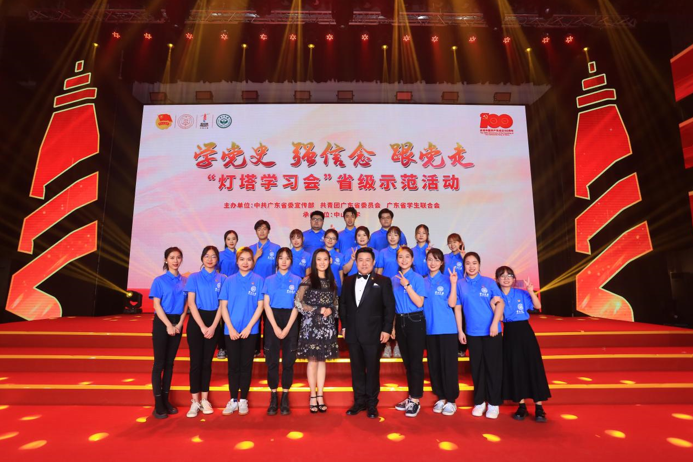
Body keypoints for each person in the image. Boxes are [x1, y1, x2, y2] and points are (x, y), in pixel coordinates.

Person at [340, 247, 396, 419]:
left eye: (367, 260)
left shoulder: (383, 281)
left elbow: (389, 307)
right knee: (356, 369)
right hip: (353, 333)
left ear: (373, 262)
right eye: (360, 260)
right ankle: (359, 402)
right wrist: (344, 326)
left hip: (374, 333)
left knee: (372, 369)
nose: (364, 263)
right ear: (356, 262)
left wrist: (386, 329)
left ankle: (372, 404)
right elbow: (343, 304)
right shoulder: (348, 281)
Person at [449, 252, 505, 419]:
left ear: (479, 265)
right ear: (464, 266)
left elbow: (500, 303)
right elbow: (457, 308)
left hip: (492, 332)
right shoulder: (460, 284)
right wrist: (460, 330)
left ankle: (493, 403)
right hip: (472, 333)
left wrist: (495, 324)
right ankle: (479, 402)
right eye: (468, 263)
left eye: (474, 263)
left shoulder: (489, 282)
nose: (471, 266)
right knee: (477, 368)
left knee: (493, 368)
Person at [496, 266, 550, 422]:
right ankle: (521, 406)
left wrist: (531, 291)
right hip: (509, 333)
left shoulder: (521, 293)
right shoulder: (496, 295)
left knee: (532, 366)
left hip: (525, 332)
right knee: (515, 368)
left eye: (509, 275)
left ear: (514, 279)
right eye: (502, 276)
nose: (506, 278)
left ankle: (539, 407)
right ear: (497, 279)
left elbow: (537, 306)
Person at [218, 247, 265, 416]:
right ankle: (233, 400)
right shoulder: (229, 281)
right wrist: (230, 327)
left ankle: (243, 399)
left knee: (246, 365)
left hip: (250, 331)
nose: (245, 262)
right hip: (230, 331)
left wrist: (248, 327)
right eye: (242, 259)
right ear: (237, 262)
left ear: (253, 262)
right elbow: (223, 306)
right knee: (233, 365)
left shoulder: (258, 280)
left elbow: (260, 306)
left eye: (249, 259)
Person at [295, 249, 340, 413]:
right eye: (319, 259)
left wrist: (331, 310)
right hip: (311, 326)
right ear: (314, 262)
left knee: (322, 361)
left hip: (327, 326)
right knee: (313, 361)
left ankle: (320, 394)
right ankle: (312, 395)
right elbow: (298, 302)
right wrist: (317, 309)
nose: (322, 262)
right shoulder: (308, 280)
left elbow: (335, 303)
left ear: (329, 261)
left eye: (325, 259)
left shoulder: (331, 280)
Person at [184, 246, 225, 418]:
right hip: (196, 322)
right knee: (196, 362)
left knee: (207, 362)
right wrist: (202, 326)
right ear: (202, 258)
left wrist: (213, 326)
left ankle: (205, 399)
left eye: (213, 256)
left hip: (214, 320)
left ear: (217, 260)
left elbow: (222, 305)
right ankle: (194, 401)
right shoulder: (193, 277)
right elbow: (191, 303)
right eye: (207, 256)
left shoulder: (222, 278)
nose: (210, 259)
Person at [424, 248, 464, 416]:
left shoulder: (448, 280)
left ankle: (451, 399)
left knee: (449, 365)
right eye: (430, 259)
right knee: (434, 364)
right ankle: (440, 396)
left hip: (447, 329)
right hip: (429, 329)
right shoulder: (422, 281)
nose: (432, 263)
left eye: (436, 260)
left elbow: (453, 304)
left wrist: (453, 284)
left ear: (441, 263)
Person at [262, 248, 302, 416]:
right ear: (276, 260)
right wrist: (275, 326)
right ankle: (273, 396)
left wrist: (286, 328)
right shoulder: (269, 280)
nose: (284, 261)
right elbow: (266, 304)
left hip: (291, 319)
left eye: (287, 258)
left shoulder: (297, 280)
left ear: (291, 261)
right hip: (272, 318)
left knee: (288, 360)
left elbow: (297, 305)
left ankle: (285, 395)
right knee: (271, 360)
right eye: (281, 258)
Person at [149, 247, 187, 419]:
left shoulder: (185, 281)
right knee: (160, 363)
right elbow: (156, 305)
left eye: (178, 257)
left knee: (170, 363)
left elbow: (187, 304)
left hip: (178, 322)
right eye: (172, 257)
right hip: (162, 322)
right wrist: (168, 325)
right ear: (166, 260)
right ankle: (158, 403)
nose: (175, 260)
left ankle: (166, 400)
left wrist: (179, 323)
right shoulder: (159, 281)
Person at [390, 246, 427, 418]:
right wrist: (392, 326)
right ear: (397, 260)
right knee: (407, 362)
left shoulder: (418, 278)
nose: (404, 260)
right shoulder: (393, 280)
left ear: (412, 260)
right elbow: (393, 305)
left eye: (407, 257)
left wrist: (408, 285)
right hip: (400, 320)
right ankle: (411, 397)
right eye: (400, 257)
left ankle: (416, 400)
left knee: (415, 362)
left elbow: (419, 302)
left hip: (415, 320)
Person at [249, 220, 279, 356]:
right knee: (254, 318)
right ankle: (254, 348)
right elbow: (246, 268)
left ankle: (267, 348)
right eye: (259, 229)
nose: (262, 231)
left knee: (268, 320)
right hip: (253, 288)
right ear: (256, 231)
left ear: (269, 231)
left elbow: (280, 268)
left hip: (269, 289)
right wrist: (255, 256)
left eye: (264, 229)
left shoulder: (276, 248)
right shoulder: (250, 249)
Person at [376, 226, 403, 358]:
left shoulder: (403, 251)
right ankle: (386, 345)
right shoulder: (383, 252)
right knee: (386, 314)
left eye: (395, 235)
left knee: (398, 314)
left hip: (400, 286)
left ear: (399, 237)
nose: (392, 237)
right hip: (386, 286)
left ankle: (397, 344)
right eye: (390, 235)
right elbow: (379, 271)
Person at [217, 230, 239, 360]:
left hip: (237, 290)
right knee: (222, 319)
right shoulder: (220, 255)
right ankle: (222, 347)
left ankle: (233, 346)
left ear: (237, 240)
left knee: (234, 316)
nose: (231, 241)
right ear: (225, 241)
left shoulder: (240, 254)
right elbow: (215, 270)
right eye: (228, 239)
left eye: (233, 238)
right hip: (224, 289)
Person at [323, 228, 345, 295]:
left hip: (336, 288)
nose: (330, 240)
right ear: (324, 239)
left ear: (336, 241)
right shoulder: (318, 253)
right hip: (321, 287)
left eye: (333, 238)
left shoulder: (340, 256)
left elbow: (341, 274)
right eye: (328, 237)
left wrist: (341, 287)